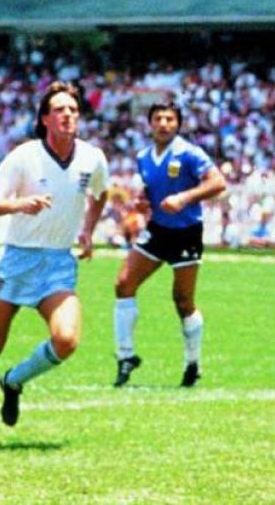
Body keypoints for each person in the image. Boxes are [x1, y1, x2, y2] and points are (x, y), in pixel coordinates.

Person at [0, 81, 109, 447]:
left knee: (66, 340)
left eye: (73, 110)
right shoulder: (24, 156)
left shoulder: (92, 158)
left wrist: (88, 231)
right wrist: (21, 204)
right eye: (60, 110)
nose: (68, 115)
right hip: (18, 258)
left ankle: (14, 380)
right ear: (45, 118)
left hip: (59, 262)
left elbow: (102, 192)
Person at [112, 101, 226, 388]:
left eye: (170, 119)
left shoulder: (189, 153)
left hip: (186, 232)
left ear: (178, 124)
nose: (164, 123)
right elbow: (152, 190)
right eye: (158, 118)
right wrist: (143, 201)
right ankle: (126, 357)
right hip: (158, 230)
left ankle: (193, 363)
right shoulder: (144, 157)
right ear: (150, 124)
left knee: (183, 301)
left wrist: (184, 198)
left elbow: (218, 183)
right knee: (123, 284)